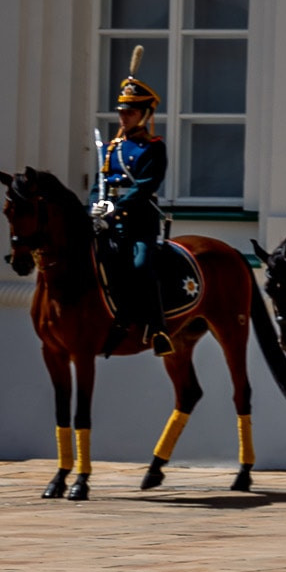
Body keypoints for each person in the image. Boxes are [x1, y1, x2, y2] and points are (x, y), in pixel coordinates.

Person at [92, 47, 173, 355]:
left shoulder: (153, 148)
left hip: (139, 222)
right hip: (108, 222)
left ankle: (158, 328)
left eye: (131, 112)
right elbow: (99, 183)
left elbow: (144, 186)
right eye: (122, 111)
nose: (124, 116)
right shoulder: (112, 147)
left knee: (141, 266)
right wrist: (94, 207)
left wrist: (117, 207)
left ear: (146, 114)